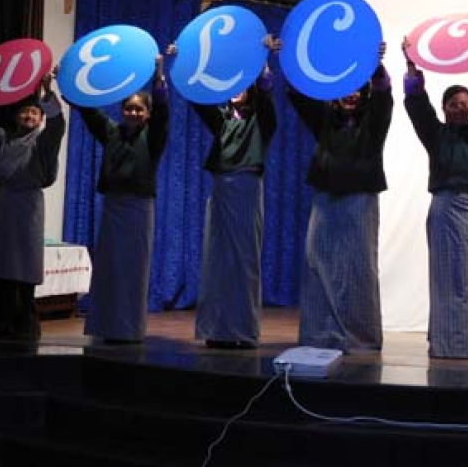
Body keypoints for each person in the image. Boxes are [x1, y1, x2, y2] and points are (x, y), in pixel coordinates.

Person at [168, 37, 279, 349]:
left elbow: (268, 98)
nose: (237, 91)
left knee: (244, 260)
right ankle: (217, 329)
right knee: (217, 260)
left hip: (245, 188)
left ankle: (242, 331)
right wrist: (178, 63)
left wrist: (263, 59)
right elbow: (197, 99)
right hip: (221, 190)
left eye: (244, 85)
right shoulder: (223, 121)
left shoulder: (261, 122)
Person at [403, 38, 468, 359]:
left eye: (466, 103)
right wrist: (411, 68)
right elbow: (418, 107)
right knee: (444, 275)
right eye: (454, 103)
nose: (461, 107)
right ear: (445, 108)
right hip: (444, 207)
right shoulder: (435, 134)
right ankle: (444, 343)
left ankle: (466, 345)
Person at [288, 43, 392, 352]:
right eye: (346, 89)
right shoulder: (325, 120)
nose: (351, 95)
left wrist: (374, 65)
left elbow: (384, 97)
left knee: (358, 268)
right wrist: (290, 60)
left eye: (357, 90)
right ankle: (320, 334)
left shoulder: (372, 124)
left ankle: (360, 337)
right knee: (317, 263)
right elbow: (299, 96)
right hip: (325, 197)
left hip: (359, 199)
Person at [0, 68, 65, 340]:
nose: (29, 116)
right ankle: (3, 321)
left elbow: (57, 127)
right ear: (16, 116)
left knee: (25, 266)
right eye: (24, 112)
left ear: (41, 117)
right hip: (5, 204)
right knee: (2, 265)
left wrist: (46, 92)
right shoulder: (4, 140)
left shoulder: (43, 142)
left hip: (29, 207)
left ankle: (27, 324)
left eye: (34, 112)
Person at [74, 54, 169, 344]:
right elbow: (89, 112)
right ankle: (106, 327)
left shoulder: (153, 137)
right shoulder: (112, 132)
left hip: (139, 209)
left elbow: (163, 113)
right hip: (113, 208)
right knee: (109, 270)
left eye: (139, 110)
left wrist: (159, 79)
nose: (133, 114)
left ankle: (129, 330)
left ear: (148, 114)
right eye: (128, 109)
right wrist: (70, 82)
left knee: (133, 270)